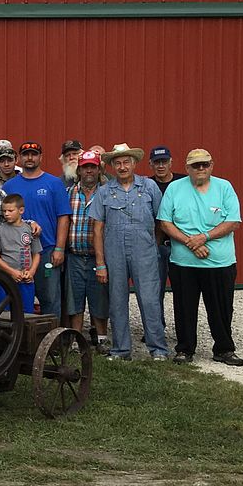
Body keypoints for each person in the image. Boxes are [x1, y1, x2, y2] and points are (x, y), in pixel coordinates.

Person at [158, 149, 243, 366]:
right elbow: (165, 222)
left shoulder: (224, 187)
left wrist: (203, 237)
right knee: (184, 307)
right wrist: (191, 242)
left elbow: (233, 221)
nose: (201, 169)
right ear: (187, 168)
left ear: (212, 166)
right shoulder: (175, 188)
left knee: (221, 308)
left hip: (220, 262)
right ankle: (185, 349)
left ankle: (224, 349)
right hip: (183, 261)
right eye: (196, 165)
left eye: (205, 164)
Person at [93, 144, 168, 361]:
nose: (122, 167)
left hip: (145, 252)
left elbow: (161, 220)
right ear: (112, 166)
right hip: (114, 253)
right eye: (117, 163)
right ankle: (121, 349)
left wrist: (153, 245)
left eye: (126, 162)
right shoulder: (104, 191)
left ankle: (158, 349)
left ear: (134, 164)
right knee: (117, 301)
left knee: (150, 300)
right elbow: (97, 229)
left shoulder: (149, 186)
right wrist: (100, 263)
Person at [2, 141, 70, 316]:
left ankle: (51, 333)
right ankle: (21, 332)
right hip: (16, 252)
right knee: (18, 298)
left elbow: (63, 217)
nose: (30, 158)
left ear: (41, 157)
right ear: (19, 158)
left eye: (34, 154)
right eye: (26, 155)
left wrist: (60, 248)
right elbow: (3, 217)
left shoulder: (54, 183)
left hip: (47, 249)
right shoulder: (9, 186)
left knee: (50, 298)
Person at [65, 151, 110, 350]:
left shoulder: (107, 193)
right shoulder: (69, 192)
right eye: (85, 167)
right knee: (74, 299)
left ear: (99, 170)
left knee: (99, 298)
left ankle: (101, 339)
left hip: (98, 256)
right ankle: (76, 339)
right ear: (79, 171)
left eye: (93, 167)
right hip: (74, 254)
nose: (89, 171)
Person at [0, 194, 39, 313]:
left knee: (27, 313)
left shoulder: (31, 229)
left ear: (21, 210)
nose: (6, 214)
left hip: (26, 280)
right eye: (4, 211)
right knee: (3, 313)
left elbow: (36, 253)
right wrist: (12, 272)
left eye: (10, 211)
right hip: (6, 280)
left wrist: (32, 272)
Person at [149, 145, 178, 325]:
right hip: (157, 245)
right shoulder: (147, 185)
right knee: (154, 290)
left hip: (180, 244)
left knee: (182, 291)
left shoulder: (183, 182)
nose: (161, 166)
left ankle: (183, 329)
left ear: (170, 162)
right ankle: (156, 328)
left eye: (164, 162)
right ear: (151, 164)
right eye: (157, 162)